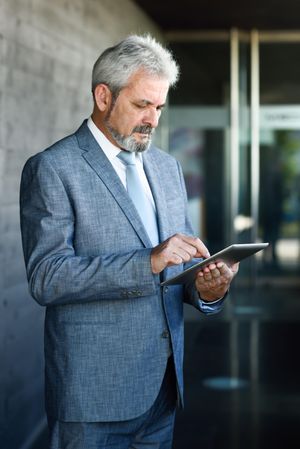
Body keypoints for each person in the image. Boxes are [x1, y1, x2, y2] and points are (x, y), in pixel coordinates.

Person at [20, 35, 238, 449]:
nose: (153, 120)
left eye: (159, 107)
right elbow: (46, 278)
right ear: (104, 96)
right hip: (92, 402)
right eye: (142, 105)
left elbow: (179, 266)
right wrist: (148, 261)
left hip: (162, 395)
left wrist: (208, 287)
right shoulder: (52, 168)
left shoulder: (167, 168)